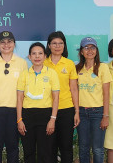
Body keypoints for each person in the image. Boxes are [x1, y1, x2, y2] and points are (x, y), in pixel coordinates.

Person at [17, 42, 60, 163]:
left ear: (45, 56)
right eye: (34, 54)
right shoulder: (24, 74)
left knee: (45, 153)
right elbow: (19, 99)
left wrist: (52, 119)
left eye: (40, 53)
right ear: (29, 57)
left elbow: (56, 98)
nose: (37, 56)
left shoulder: (52, 73)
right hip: (27, 116)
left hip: (46, 116)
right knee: (28, 152)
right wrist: (19, 120)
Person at [0, 31, 28, 163]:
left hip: (15, 111)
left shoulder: (22, 63)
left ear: (14, 43)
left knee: (13, 147)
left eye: (9, 41)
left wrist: (21, 115)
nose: (6, 45)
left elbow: (24, 90)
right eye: (2, 42)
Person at [44, 31, 79, 163]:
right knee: (49, 147)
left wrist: (76, 112)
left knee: (66, 147)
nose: (57, 46)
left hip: (66, 109)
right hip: (47, 109)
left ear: (64, 45)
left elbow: (74, 89)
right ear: (49, 45)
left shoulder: (69, 64)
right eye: (54, 43)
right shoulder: (43, 62)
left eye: (60, 43)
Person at [76, 37, 112, 163]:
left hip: (98, 112)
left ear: (96, 51)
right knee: (83, 148)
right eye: (86, 47)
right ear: (81, 52)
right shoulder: (77, 69)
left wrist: (105, 116)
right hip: (81, 113)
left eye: (92, 47)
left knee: (97, 148)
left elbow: (107, 93)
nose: (89, 50)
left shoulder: (103, 67)